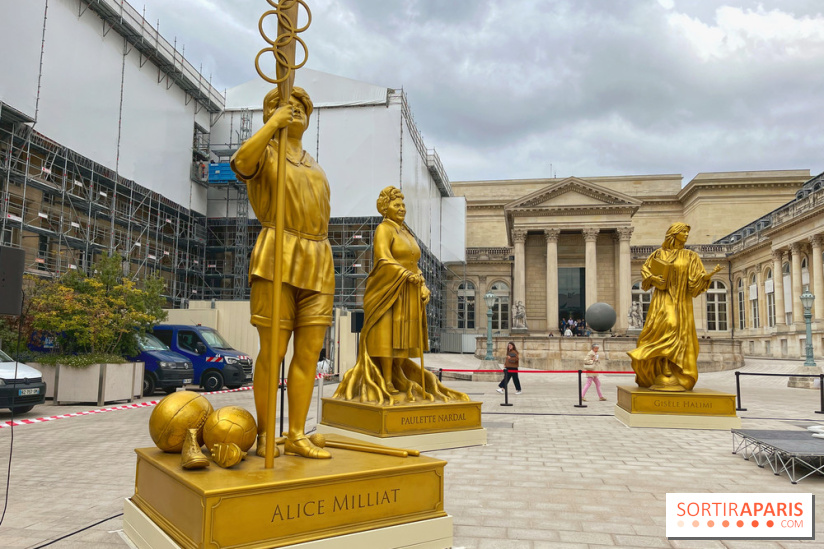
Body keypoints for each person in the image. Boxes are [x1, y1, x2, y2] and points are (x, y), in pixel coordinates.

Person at [231, 86, 333, 459]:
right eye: (287, 106)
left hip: (319, 257)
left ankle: (294, 433)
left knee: (307, 354)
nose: (296, 111)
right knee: (272, 352)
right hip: (278, 252)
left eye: (302, 106)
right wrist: (273, 123)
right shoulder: (265, 154)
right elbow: (240, 163)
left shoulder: (314, 165)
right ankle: (263, 434)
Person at [334, 186, 468, 404]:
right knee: (387, 334)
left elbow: (415, 264)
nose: (402, 208)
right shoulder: (384, 229)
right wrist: (406, 274)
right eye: (397, 205)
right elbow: (383, 259)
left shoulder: (406, 231)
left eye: (403, 205)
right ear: (385, 208)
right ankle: (386, 380)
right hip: (387, 290)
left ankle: (399, 377)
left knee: (401, 337)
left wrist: (423, 284)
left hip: (407, 290)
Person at [627, 222, 721, 391]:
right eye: (683, 232)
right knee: (669, 326)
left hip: (682, 302)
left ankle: (670, 368)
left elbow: (694, 283)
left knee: (680, 333)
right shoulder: (658, 254)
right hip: (663, 299)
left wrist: (708, 276)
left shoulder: (691, 256)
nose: (686, 235)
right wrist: (654, 279)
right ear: (674, 233)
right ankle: (657, 361)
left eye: (687, 232)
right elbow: (646, 273)